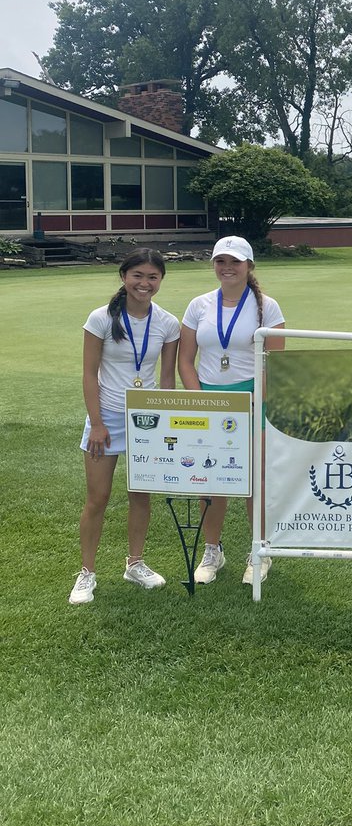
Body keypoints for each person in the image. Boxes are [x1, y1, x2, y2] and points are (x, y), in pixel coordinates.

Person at [69, 249, 181, 605]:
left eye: (152, 277)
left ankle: (135, 563)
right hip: (108, 417)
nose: (144, 284)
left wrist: (166, 425)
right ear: (123, 277)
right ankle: (86, 573)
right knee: (97, 498)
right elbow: (89, 374)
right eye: (138, 276)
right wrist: (98, 423)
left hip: (147, 419)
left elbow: (167, 378)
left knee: (140, 495)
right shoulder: (101, 318)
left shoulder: (167, 323)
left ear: (160, 281)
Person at [179, 236, 285, 585]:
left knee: (256, 482)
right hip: (209, 398)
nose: (227, 268)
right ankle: (213, 550)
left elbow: (276, 363)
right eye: (221, 261)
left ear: (249, 266)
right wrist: (199, 401)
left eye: (235, 262)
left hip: (253, 400)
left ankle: (260, 550)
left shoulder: (266, 306)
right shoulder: (199, 305)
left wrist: (257, 401)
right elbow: (185, 360)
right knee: (210, 481)